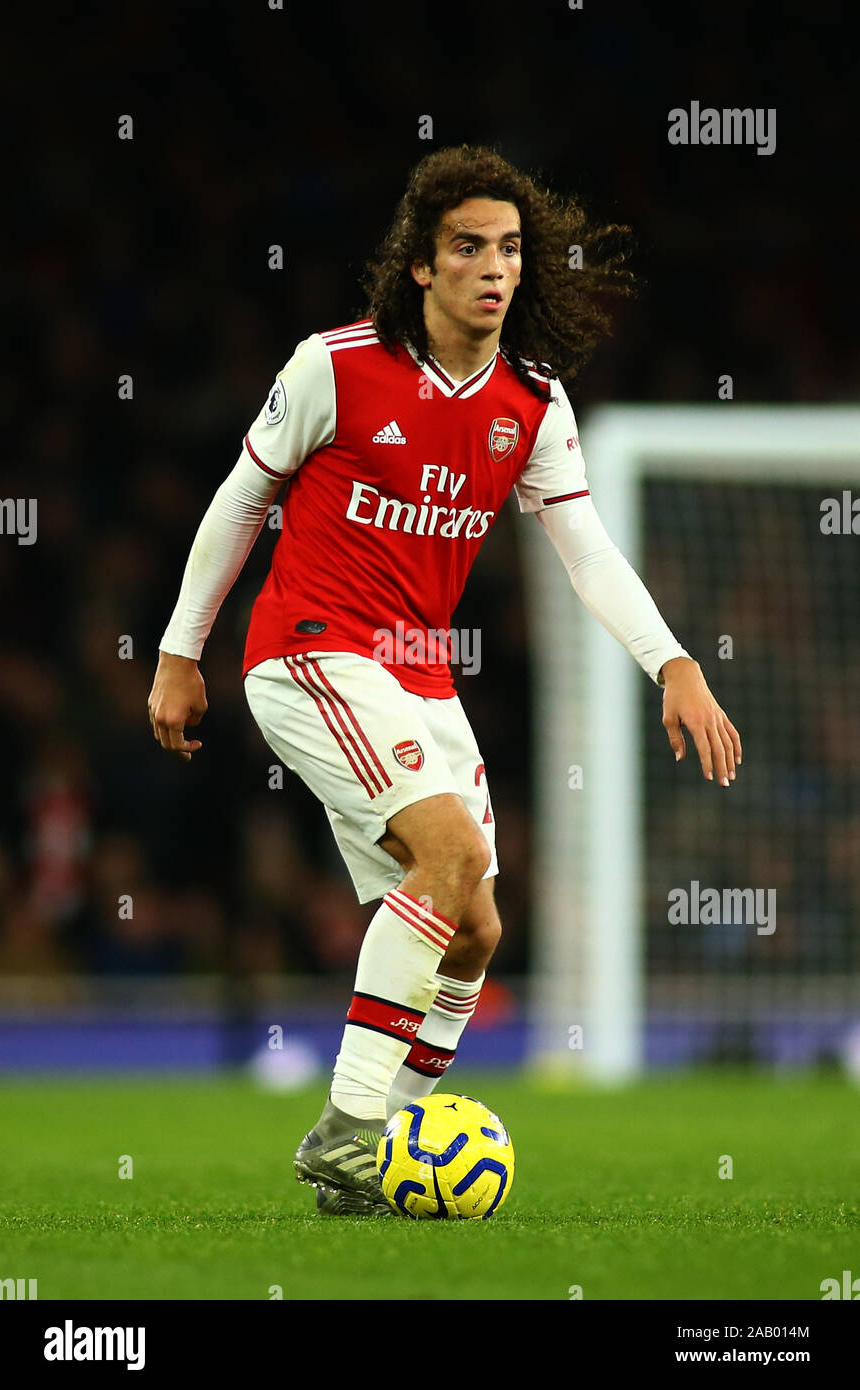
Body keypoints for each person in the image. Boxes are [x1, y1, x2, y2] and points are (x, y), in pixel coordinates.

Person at [148, 145, 742, 1215]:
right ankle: (348, 1127)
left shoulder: (531, 400)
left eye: (509, 249)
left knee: (474, 928)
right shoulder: (335, 366)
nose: (492, 267)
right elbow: (241, 501)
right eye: (468, 246)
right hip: (310, 650)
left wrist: (675, 662)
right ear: (420, 264)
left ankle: (380, 1151)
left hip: (419, 677)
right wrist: (180, 652)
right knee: (455, 851)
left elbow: (586, 553)